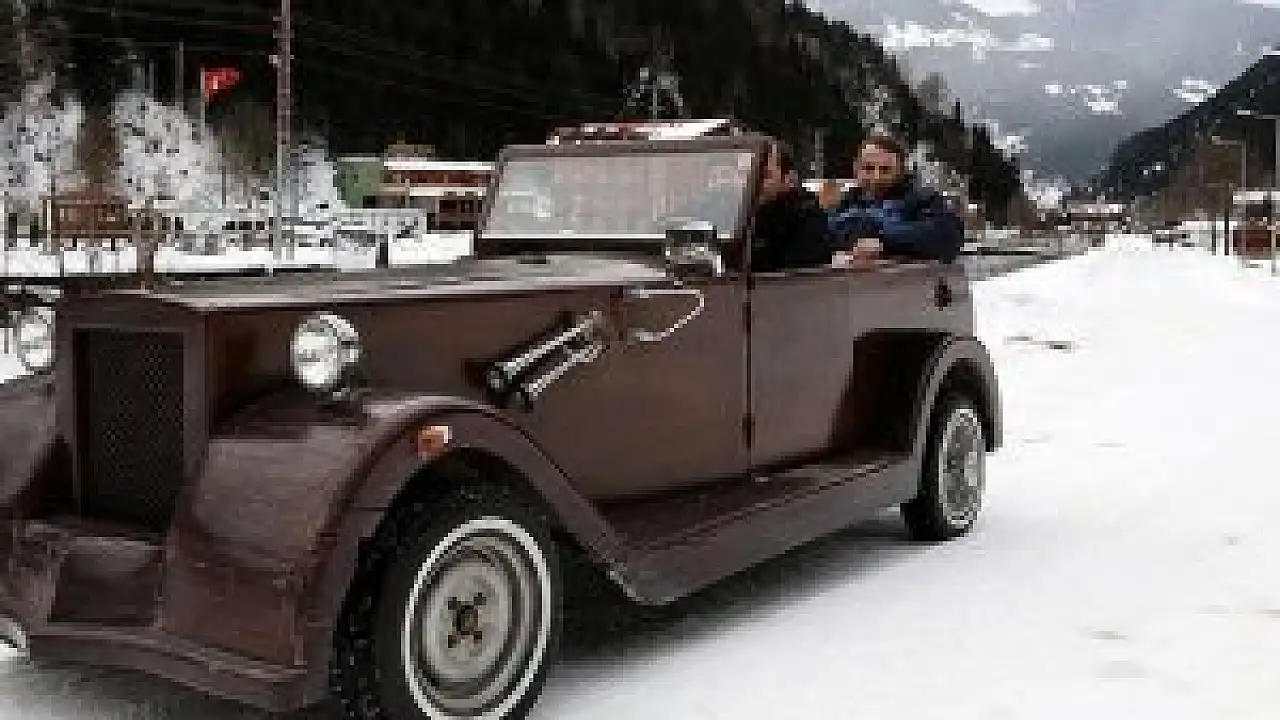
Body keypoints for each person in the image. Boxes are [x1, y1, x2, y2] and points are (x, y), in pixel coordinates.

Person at [828, 135, 964, 263]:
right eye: (868, 169)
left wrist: (883, 242)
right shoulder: (845, 203)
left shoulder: (922, 199)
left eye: (885, 170)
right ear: (856, 169)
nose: (876, 177)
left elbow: (946, 236)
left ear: (900, 170)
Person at [750, 140, 834, 273]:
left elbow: (799, 275)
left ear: (786, 179)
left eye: (765, 175)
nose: (755, 183)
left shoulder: (805, 217)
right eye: (749, 175)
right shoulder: (736, 214)